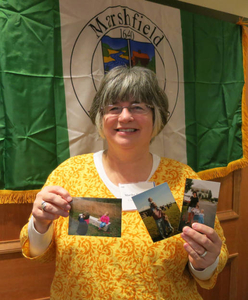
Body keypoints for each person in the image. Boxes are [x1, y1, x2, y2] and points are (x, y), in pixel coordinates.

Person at [20, 66, 228, 300]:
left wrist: (206, 262)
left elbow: (209, 268)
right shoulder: (69, 174)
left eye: (138, 106)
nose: (125, 116)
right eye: (114, 108)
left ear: (155, 116)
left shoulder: (189, 181)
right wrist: (40, 223)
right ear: (101, 118)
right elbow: (38, 252)